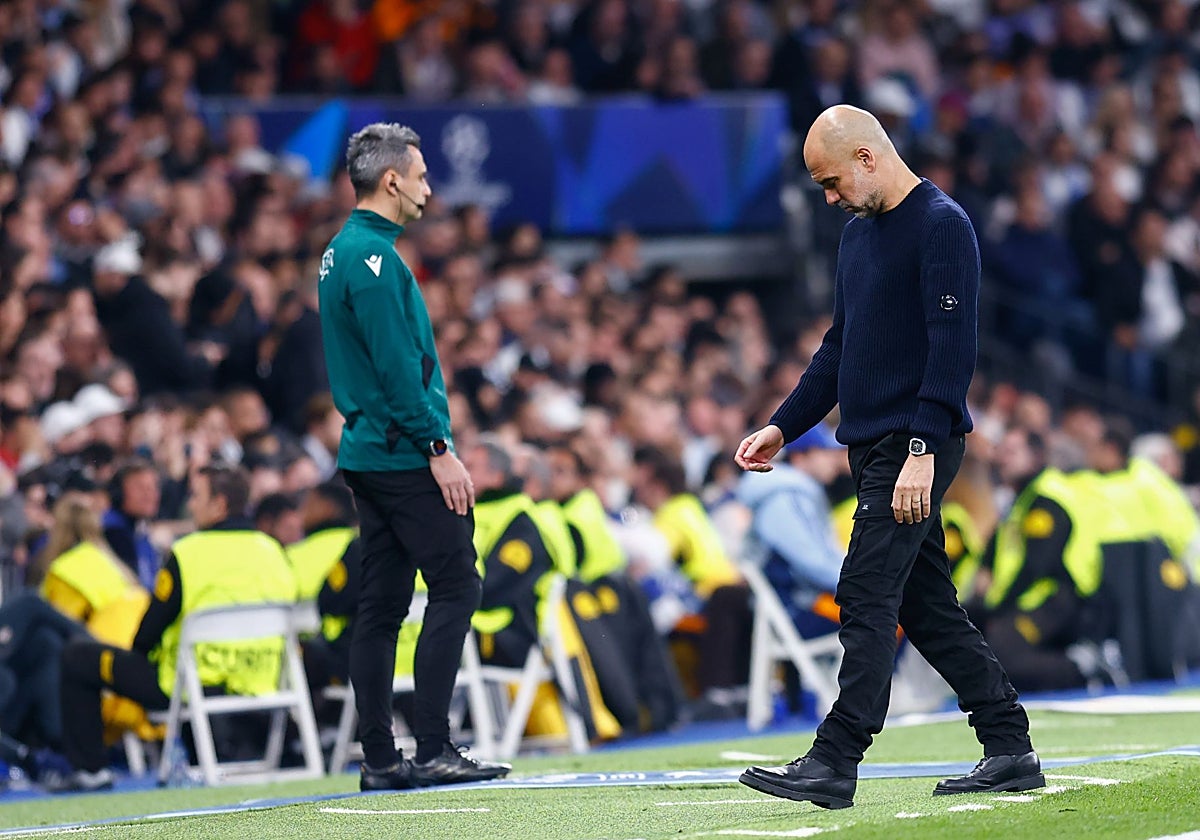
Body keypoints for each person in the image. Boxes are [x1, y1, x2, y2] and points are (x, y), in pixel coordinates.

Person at [734, 105, 1041, 809]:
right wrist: (785, 425)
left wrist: (922, 450)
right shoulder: (856, 237)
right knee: (926, 606)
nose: (830, 197)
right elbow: (839, 348)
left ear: (869, 157)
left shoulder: (941, 225)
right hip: (873, 447)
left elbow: (952, 350)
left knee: (865, 592)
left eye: (832, 181)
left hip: (913, 447)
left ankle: (837, 757)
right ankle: (1009, 744)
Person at [317, 122, 508, 790]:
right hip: (402, 452)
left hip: (369, 451)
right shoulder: (371, 261)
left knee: (383, 604)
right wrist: (438, 448)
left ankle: (378, 758)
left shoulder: (345, 252)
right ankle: (431, 748)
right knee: (457, 584)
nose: (430, 186)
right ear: (392, 180)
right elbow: (398, 370)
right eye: (423, 175)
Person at [53, 465, 298, 792]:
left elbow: (149, 631)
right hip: (264, 681)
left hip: (189, 685)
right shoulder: (274, 550)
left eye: (197, 496)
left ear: (219, 504)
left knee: (77, 657)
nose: (190, 504)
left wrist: (137, 656)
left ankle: (91, 771)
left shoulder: (188, 552)